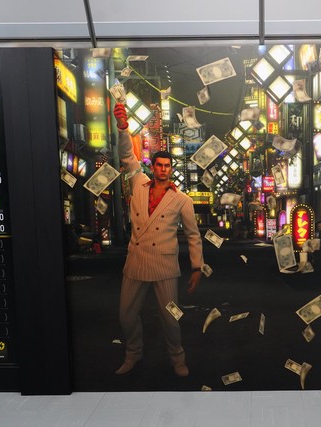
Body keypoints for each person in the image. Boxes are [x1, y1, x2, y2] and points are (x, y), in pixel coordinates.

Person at [113, 103, 204, 377]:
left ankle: (178, 358)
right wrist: (123, 128)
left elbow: (193, 235)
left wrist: (197, 267)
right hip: (136, 261)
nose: (163, 169)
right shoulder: (138, 183)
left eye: (167, 166)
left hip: (164, 265)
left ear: (171, 169)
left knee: (171, 317)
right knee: (126, 314)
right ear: (153, 167)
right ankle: (133, 353)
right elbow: (127, 155)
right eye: (159, 165)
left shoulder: (182, 200)